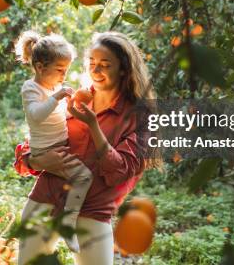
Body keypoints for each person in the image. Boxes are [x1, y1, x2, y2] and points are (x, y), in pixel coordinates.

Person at [15, 31, 155, 265]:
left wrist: (93, 126)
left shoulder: (138, 117)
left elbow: (120, 170)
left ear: (124, 69)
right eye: (92, 63)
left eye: (104, 64)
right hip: (46, 198)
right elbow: (39, 140)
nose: (95, 70)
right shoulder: (78, 97)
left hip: (92, 209)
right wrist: (35, 161)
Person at [15, 31, 93, 252]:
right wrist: (57, 97)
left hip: (57, 146)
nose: (63, 76)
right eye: (60, 70)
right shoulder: (31, 88)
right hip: (45, 149)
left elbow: (58, 118)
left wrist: (71, 109)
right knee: (84, 177)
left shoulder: (53, 89)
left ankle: (64, 218)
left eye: (66, 71)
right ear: (40, 67)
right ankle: (68, 222)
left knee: (77, 179)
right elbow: (36, 115)